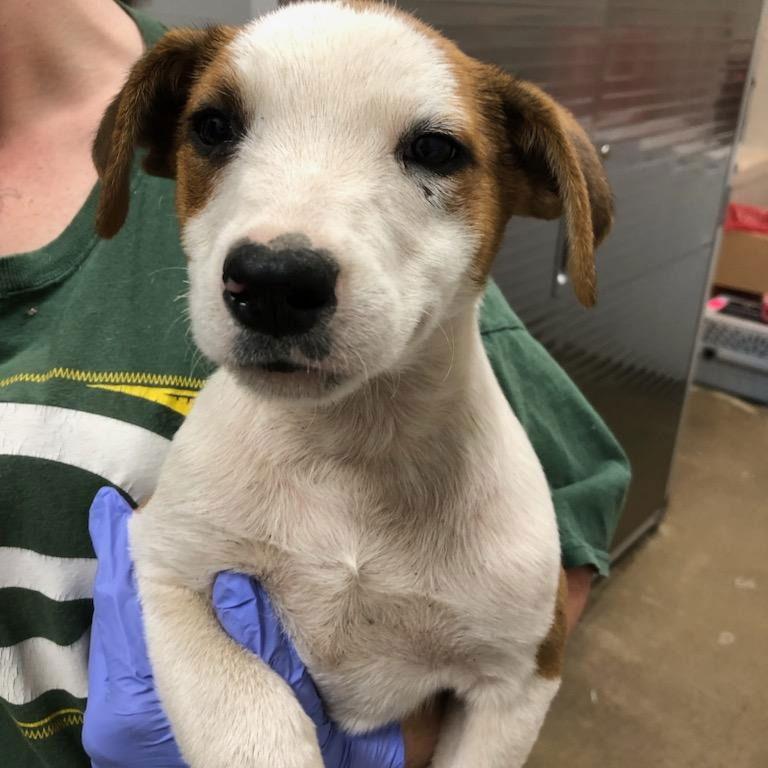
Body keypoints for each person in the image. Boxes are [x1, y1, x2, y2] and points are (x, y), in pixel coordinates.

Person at [0, 1, 630, 766]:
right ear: (161, 150)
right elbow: (163, 574)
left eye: (431, 150)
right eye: (219, 131)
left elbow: (516, 679)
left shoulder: (504, 526)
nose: (279, 251)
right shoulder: (213, 469)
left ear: (529, 183)